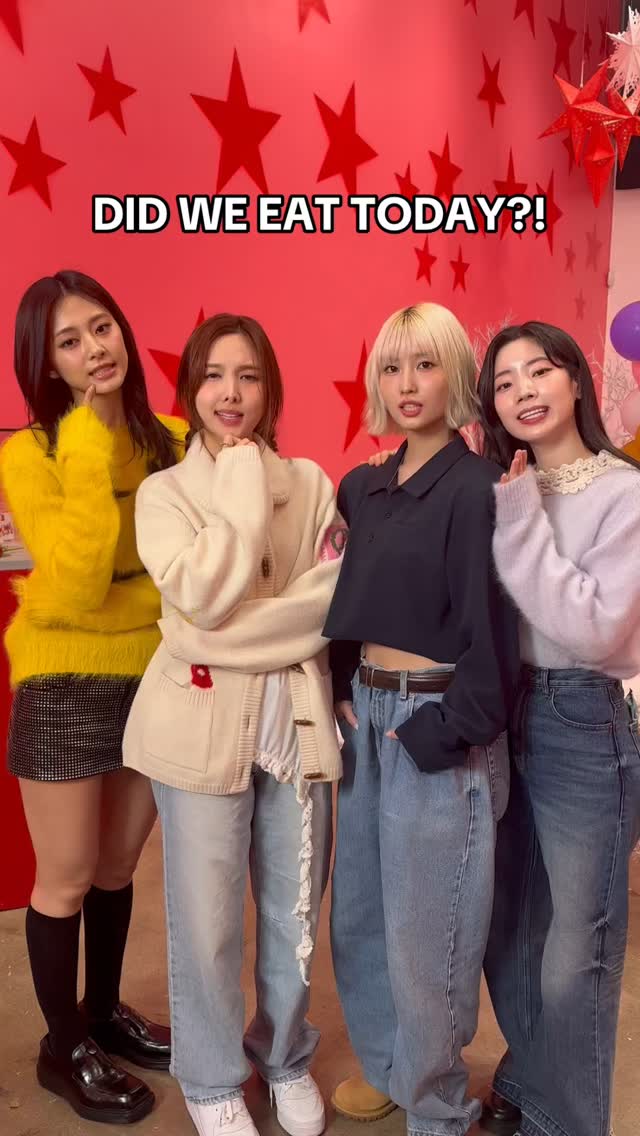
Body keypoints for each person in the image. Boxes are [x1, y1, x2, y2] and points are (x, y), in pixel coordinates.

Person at [123, 313, 346, 1136]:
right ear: (190, 388)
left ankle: (284, 1055)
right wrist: (242, 491)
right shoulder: (165, 494)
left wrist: (215, 633)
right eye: (214, 375)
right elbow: (203, 599)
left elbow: (327, 606)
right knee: (207, 920)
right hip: (196, 732)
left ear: (269, 389)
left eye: (248, 375)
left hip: (296, 727)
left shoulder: (314, 485)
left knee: (294, 913)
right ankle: (213, 1077)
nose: (231, 392)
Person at [323, 301, 521, 1136]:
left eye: (426, 364)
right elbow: (342, 595)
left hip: (436, 719)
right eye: (393, 366)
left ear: (457, 376)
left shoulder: (478, 491)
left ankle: (437, 1106)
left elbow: (494, 633)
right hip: (366, 720)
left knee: (429, 932)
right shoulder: (362, 485)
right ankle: (389, 1070)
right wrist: (342, 687)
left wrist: (445, 731)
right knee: (361, 916)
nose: (408, 384)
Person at [0, 270, 187, 1125]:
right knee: (68, 874)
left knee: (118, 867)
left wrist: (136, 602)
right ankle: (63, 1045)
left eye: (101, 327)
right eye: (68, 342)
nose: (94, 349)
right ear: (47, 364)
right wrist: (83, 435)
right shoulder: (31, 453)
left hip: (153, 673)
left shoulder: (173, 439)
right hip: (64, 677)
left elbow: (191, 570)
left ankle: (104, 1012)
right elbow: (76, 582)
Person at [476, 321, 640, 1136]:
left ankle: (569, 1122)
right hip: (504, 711)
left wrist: (516, 521)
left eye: (539, 371)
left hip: (583, 716)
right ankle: (532, 1079)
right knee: (508, 926)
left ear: (576, 379)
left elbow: (594, 628)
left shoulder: (623, 491)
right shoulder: (505, 486)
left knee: (579, 948)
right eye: (505, 383)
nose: (524, 391)